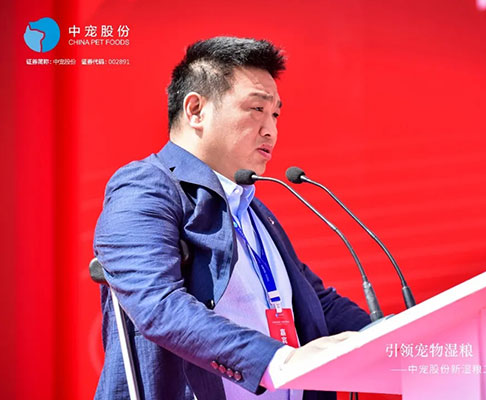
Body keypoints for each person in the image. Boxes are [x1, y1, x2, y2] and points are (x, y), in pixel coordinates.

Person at [93, 36, 371, 400]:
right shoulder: (145, 188)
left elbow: (317, 303)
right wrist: (277, 360)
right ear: (196, 110)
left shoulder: (252, 208)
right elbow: (159, 306)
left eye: (275, 114)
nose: (271, 129)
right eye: (256, 109)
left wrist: (401, 335)